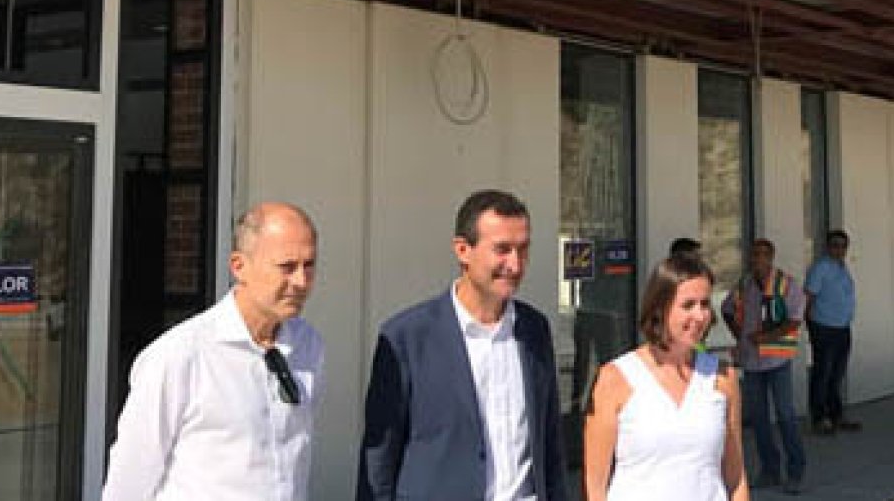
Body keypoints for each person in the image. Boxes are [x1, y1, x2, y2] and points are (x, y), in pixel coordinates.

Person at [102, 202, 324, 500]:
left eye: (308, 265)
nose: (301, 281)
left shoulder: (308, 345)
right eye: (286, 267)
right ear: (239, 266)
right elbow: (130, 479)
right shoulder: (180, 355)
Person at [357, 190, 567, 501]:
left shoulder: (534, 329)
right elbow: (380, 461)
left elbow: (549, 442)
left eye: (523, 250)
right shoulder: (407, 338)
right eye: (502, 250)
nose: (516, 264)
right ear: (462, 250)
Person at [584, 257, 748, 501]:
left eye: (705, 304)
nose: (699, 315)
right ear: (660, 308)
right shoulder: (615, 378)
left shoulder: (723, 379)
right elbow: (594, 486)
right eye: (688, 305)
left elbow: (735, 477)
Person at [722, 239, 806, 494]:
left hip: (777, 359)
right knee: (758, 418)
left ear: (771, 257)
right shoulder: (745, 285)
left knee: (785, 415)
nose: (758, 260)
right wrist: (740, 334)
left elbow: (794, 320)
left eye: (763, 255)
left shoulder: (786, 284)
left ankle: (795, 470)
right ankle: (770, 469)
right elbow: (727, 309)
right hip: (752, 361)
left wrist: (766, 338)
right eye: (754, 254)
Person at [804, 229, 861, 435]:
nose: (839, 249)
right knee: (822, 373)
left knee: (836, 375)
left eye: (842, 246)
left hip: (842, 328)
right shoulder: (821, 268)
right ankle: (819, 418)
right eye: (835, 245)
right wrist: (809, 325)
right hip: (824, 327)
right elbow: (808, 296)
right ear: (828, 247)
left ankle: (836, 415)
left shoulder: (842, 268)